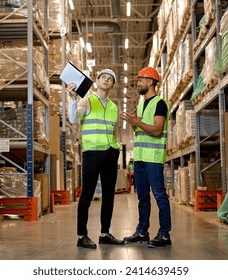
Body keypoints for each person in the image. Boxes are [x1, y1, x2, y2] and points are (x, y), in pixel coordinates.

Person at [67, 68, 125, 249]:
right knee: (87, 195)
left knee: (109, 196)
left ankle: (104, 233)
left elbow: (113, 131)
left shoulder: (114, 106)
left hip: (110, 152)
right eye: (103, 77)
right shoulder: (88, 100)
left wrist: (115, 148)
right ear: (97, 80)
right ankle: (81, 235)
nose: (106, 80)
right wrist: (72, 99)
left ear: (113, 85)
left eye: (110, 79)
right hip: (92, 153)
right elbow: (74, 119)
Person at [119, 66, 171, 248]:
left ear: (150, 82)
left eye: (140, 80)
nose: (138, 83)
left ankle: (164, 234)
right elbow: (141, 129)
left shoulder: (160, 103)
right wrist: (134, 124)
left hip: (154, 158)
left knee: (159, 195)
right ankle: (142, 231)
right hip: (140, 158)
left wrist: (137, 122)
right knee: (142, 196)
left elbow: (157, 130)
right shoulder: (141, 105)